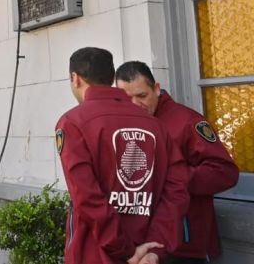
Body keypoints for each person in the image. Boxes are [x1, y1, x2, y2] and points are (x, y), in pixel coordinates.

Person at [55, 47, 190, 264]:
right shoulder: (155, 125)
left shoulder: (73, 122)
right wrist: (155, 247)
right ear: (111, 77)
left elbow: (87, 197)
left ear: (75, 78)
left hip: (96, 252)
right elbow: (176, 191)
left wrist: (126, 250)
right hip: (147, 252)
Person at [116, 61, 239, 264]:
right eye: (127, 98)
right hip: (142, 246)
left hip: (185, 247)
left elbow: (225, 172)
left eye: (142, 96)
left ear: (156, 89)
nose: (135, 104)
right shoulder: (124, 126)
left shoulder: (187, 121)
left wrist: (173, 178)